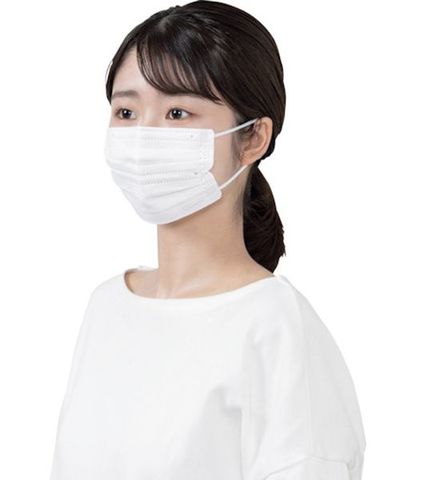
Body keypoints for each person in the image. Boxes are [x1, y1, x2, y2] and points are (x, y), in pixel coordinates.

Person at [48, 2, 366, 479]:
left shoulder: (276, 328)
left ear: (253, 138)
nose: (144, 137)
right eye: (126, 111)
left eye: (177, 112)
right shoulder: (107, 305)